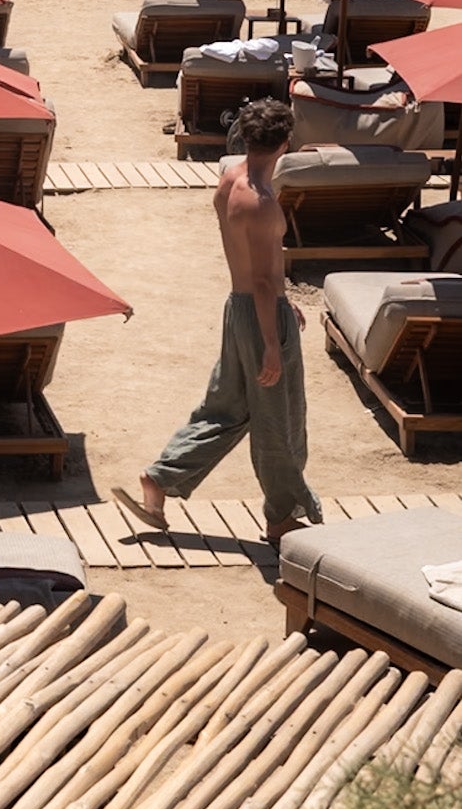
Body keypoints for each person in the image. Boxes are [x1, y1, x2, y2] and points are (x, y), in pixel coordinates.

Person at [114, 97, 321, 547]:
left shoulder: (231, 180)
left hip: (238, 307)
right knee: (279, 420)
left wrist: (282, 301)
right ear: (286, 142)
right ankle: (282, 516)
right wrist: (272, 340)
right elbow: (264, 279)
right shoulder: (261, 200)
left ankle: (160, 477)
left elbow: (254, 269)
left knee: (226, 406)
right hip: (261, 315)